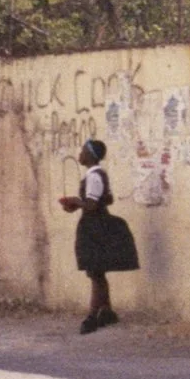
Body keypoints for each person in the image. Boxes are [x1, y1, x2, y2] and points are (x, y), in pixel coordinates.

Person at [56, 138, 138, 333]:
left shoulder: (93, 177)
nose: (80, 154)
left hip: (95, 226)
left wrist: (76, 201)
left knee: (95, 272)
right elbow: (107, 199)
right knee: (97, 271)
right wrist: (77, 205)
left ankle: (92, 316)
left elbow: (92, 205)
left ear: (91, 155)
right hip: (97, 223)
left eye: (83, 151)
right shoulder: (98, 175)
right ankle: (106, 311)